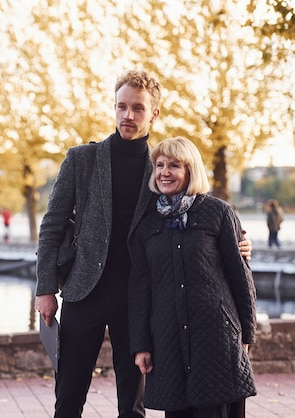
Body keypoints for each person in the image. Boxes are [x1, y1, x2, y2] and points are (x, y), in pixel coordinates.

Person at [35, 70, 252, 418]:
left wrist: (239, 242)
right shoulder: (82, 160)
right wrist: (45, 288)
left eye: (138, 108)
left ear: (154, 114)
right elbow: (51, 226)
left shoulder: (159, 166)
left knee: (132, 405)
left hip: (136, 301)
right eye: (121, 107)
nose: (128, 115)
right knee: (69, 398)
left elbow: (197, 211)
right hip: (82, 292)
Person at [128, 137, 257, 418]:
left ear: (190, 171)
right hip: (167, 343)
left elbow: (241, 277)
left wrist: (247, 334)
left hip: (217, 340)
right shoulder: (147, 225)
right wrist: (141, 345)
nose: (164, 172)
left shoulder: (218, 213)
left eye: (174, 165)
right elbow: (139, 290)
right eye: (160, 165)